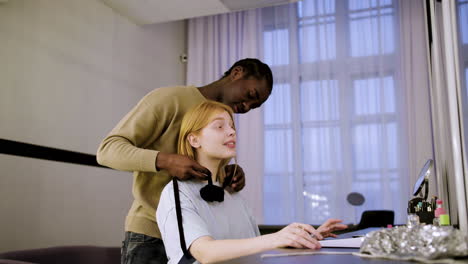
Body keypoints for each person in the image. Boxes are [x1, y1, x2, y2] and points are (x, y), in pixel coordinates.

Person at [96, 58, 273, 264]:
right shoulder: (169, 99)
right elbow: (107, 150)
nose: (247, 106)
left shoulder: (223, 123)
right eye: (250, 95)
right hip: (153, 235)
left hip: (199, 237)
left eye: (254, 106)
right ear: (237, 73)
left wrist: (226, 173)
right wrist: (165, 161)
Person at [156, 101, 348, 264]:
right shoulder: (177, 193)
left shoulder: (233, 193)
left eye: (232, 126)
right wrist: (276, 237)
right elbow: (205, 252)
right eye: (220, 126)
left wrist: (305, 239)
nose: (231, 132)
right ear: (194, 139)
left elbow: (253, 249)